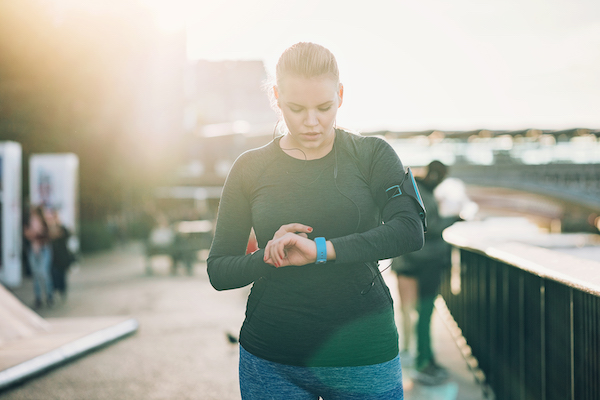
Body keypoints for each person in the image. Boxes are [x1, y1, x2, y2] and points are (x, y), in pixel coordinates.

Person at [207, 42, 425, 399]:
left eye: (324, 107)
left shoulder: (372, 154)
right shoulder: (250, 168)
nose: (312, 122)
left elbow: (409, 230)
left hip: (364, 356)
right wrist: (269, 256)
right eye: (296, 108)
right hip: (273, 360)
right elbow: (219, 271)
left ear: (340, 95)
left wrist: (321, 250)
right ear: (276, 96)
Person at [391, 160, 461, 386]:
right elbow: (430, 226)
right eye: (441, 176)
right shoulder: (424, 194)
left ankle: (418, 356)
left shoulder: (414, 190)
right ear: (436, 174)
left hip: (409, 261)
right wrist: (455, 218)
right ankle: (423, 361)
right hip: (426, 261)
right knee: (424, 311)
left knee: (412, 311)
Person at [24, 205, 53, 308]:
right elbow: (27, 235)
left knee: (43, 273)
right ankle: (38, 298)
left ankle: (49, 296)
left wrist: (36, 234)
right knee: (36, 275)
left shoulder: (44, 224)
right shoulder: (29, 224)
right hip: (33, 250)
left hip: (43, 249)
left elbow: (47, 236)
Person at [46, 209, 75, 301]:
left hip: (62, 257)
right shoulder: (49, 229)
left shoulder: (62, 228)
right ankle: (54, 291)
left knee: (62, 275)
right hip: (53, 257)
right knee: (53, 275)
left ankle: (62, 291)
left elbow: (68, 235)